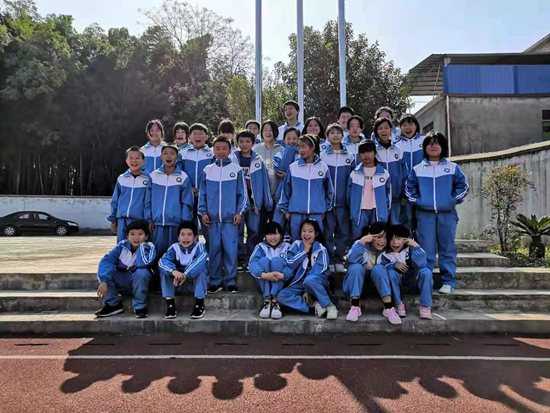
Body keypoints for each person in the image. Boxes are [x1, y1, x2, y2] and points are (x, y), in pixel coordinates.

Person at [406, 132, 469, 294]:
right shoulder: (417, 169)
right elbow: (409, 189)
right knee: (425, 249)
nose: (433, 146)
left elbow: (463, 187)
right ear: (424, 147)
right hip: (424, 215)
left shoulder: (452, 168)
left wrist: (451, 200)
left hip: (447, 214)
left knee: (447, 248)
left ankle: (448, 281)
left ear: (443, 147)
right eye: (429, 143)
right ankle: (424, 280)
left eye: (436, 143)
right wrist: (419, 202)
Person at [198, 135, 249, 294]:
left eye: (224, 148)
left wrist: (239, 212)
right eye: (218, 148)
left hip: (230, 221)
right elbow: (202, 194)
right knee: (214, 250)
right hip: (212, 220)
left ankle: (231, 281)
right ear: (213, 150)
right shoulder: (207, 170)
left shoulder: (236, 170)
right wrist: (203, 212)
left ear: (230, 150)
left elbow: (242, 194)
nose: (221, 152)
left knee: (230, 251)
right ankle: (215, 281)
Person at [277, 219, 338, 319]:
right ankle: (314, 306)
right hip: (299, 282)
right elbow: (290, 263)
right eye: (304, 231)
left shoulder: (321, 249)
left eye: (310, 231)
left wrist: (307, 290)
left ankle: (329, 306)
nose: (306, 234)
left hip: (316, 282)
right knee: (281, 296)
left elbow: (319, 271)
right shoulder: (296, 245)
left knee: (309, 280)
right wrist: (304, 252)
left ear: (316, 233)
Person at [230, 130, 273, 269]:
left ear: (253, 143)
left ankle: (252, 257)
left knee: (254, 230)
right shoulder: (233, 159)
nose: (244, 144)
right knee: (238, 230)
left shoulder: (258, 160)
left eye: (248, 141)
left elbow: (265, 182)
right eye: (241, 141)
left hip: (254, 201)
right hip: (238, 201)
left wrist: (267, 202)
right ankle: (240, 257)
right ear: (237, 143)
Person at [278, 134, 334, 242]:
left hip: (316, 213)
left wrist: (324, 209)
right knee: (296, 242)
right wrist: (286, 210)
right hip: (296, 213)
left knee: (316, 242)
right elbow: (286, 191)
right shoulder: (293, 167)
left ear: (312, 147)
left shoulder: (323, 167)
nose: (301, 150)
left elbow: (329, 191)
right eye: (299, 147)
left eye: (303, 147)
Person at [96, 221, 155, 318]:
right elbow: (107, 261)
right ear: (127, 236)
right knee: (106, 272)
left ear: (146, 237)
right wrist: (103, 280)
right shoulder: (121, 246)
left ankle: (140, 306)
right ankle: (112, 304)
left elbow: (143, 263)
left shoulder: (149, 247)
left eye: (140, 234)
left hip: (139, 283)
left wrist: (141, 247)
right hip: (122, 281)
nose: (136, 238)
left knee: (142, 272)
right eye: (132, 234)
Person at [144, 145, 194, 263]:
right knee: (157, 254)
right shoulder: (154, 176)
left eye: (172, 154)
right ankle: (157, 275)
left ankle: (173, 274)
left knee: (175, 255)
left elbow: (187, 202)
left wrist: (184, 222)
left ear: (177, 157)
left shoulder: (183, 177)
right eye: (165, 153)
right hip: (157, 224)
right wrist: (149, 219)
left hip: (175, 224)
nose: (168, 156)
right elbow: (148, 200)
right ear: (161, 156)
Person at [378, 225, 434, 319]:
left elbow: (421, 264)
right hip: (396, 286)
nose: (395, 242)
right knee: (391, 273)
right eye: (391, 239)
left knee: (426, 272)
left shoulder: (412, 249)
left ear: (406, 239)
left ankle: (425, 306)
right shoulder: (385, 254)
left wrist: (415, 246)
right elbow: (381, 270)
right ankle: (398, 304)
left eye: (399, 239)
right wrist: (394, 265)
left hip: (413, 282)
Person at [320, 123, 355, 273]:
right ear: (327, 136)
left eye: (338, 133)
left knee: (343, 232)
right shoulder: (322, 156)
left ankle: (339, 258)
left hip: (343, 203)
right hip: (328, 203)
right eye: (332, 133)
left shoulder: (350, 156)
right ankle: (329, 259)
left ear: (343, 135)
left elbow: (353, 180)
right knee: (328, 232)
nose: (335, 135)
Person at [158, 221, 209, 319]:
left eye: (189, 235)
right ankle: (170, 305)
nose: (185, 238)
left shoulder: (199, 247)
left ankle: (199, 304)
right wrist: (174, 271)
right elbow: (162, 262)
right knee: (165, 271)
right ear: (178, 237)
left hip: (192, 284)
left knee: (201, 270)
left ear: (195, 237)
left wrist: (185, 274)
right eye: (182, 235)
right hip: (177, 283)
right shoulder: (174, 248)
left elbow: (200, 261)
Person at [177, 123, 215, 241]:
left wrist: (203, 190)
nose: (197, 136)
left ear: (206, 137)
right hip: (188, 194)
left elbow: (215, 174)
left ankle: (210, 249)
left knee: (207, 223)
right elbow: (179, 173)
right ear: (189, 137)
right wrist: (189, 188)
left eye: (201, 134)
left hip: (206, 196)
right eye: (194, 134)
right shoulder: (183, 154)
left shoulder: (212, 154)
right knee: (189, 223)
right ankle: (192, 248)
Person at [343, 222, 387, 322]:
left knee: (379, 269)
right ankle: (355, 306)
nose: (382, 241)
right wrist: (362, 242)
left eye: (385, 238)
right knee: (356, 267)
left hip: (376, 287)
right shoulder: (360, 244)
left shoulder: (387, 250)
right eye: (378, 237)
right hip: (358, 286)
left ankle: (389, 307)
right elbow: (351, 259)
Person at [348, 140, 391, 241]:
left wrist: (384, 212)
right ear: (359, 155)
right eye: (363, 152)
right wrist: (353, 209)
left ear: (375, 153)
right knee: (359, 239)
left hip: (377, 211)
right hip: (359, 212)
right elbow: (348, 195)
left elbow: (388, 195)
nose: (366, 155)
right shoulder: (355, 173)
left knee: (378, 239)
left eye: (369, 151)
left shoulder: (383, 173)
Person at [248, 222, 292, 319]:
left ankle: (275, 300)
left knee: (277, 261)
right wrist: (263, 274)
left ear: (281, 235)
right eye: (269, 234)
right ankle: (267, 300)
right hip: (263, 282)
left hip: (281, 282)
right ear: (264, 236)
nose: (273, 237)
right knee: (263, 260)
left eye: (275, 234)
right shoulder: (260, 247)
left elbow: (292, 265)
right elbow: (252, 263)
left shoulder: (287, 247)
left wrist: (284, 275)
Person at [108, 146, 150, 243]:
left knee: (138, 247)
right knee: (122, 246)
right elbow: (115, 200)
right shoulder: (121, 178)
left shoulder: (149, 179)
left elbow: (149, 202)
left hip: (140, 220)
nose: (134, 161)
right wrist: (113, 220)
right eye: (131, 158)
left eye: (137, 158)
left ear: (143, 161)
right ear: (126, 161)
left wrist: (148, 220)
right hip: (122, 220)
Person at [373, 117, 409, 226]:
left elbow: (405, 174)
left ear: (391, 130)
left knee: (395, 226)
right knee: (380, 228)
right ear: (376, 132)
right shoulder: (373, 151)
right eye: (380, 128)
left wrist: (404, 194)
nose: (383, 131)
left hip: (396, 198)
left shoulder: (398, 150)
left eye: (386, 128)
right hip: (378, 199)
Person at [394, 114, 424, 230]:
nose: (408, 127)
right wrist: (402, 192)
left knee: (422, 222)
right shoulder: (396, 146)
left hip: (423, 190)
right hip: (405, 192)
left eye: (410, 124)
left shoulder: (425, 142)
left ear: (416, 125)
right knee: (406, 221)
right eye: (404, 125)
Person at [255, 120, 283, 228]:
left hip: (276, 194)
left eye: (271, 130)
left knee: (275, 225)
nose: (268, 132)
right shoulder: (256, 150)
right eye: (265, 130)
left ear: (275, 132)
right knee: (259, 226)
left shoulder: (281, 150)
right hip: (260, 196)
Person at [272, 127, 301, 233]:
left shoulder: (302, 154)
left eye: (295, 138)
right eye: (288, 138)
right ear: (284, 140)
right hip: (282, 193)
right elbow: (281, 170)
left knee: (294, 223)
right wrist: (290, 150)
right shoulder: (279, 154)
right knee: (278, 221)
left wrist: (288, 175)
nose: (291, 141)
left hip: (297, 193)